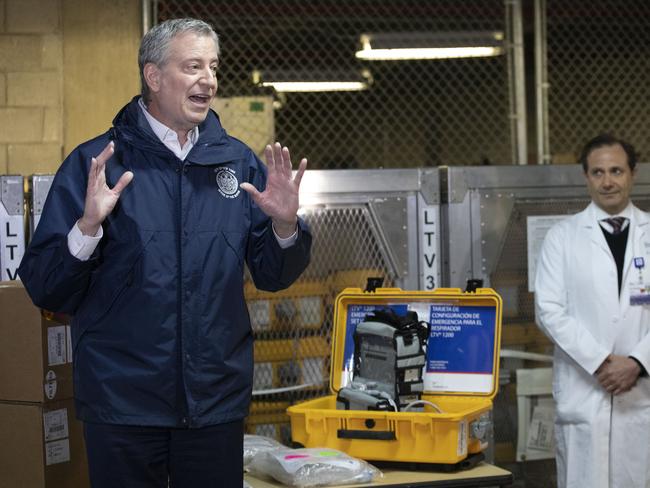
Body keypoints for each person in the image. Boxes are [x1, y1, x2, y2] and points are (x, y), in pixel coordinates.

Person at [18, 18, 311, 487]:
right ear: (154, 77)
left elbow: (274, 275)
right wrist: (87, 226)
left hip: (214, 401)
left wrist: (284, 224)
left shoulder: (236, 162)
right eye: (193, 66)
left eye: (213, 67)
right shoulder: (98, 163)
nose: (209, 80)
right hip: (123, 404)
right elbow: (46, 286)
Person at [535, 133, 650, 488]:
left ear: (632, 173)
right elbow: (548, 310)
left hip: (641, 389)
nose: (608, 181)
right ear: (586, 177)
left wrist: (636, 362)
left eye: (616, 170)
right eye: (598, 172)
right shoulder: (562, 237)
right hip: (586, 388)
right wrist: (602, 361)